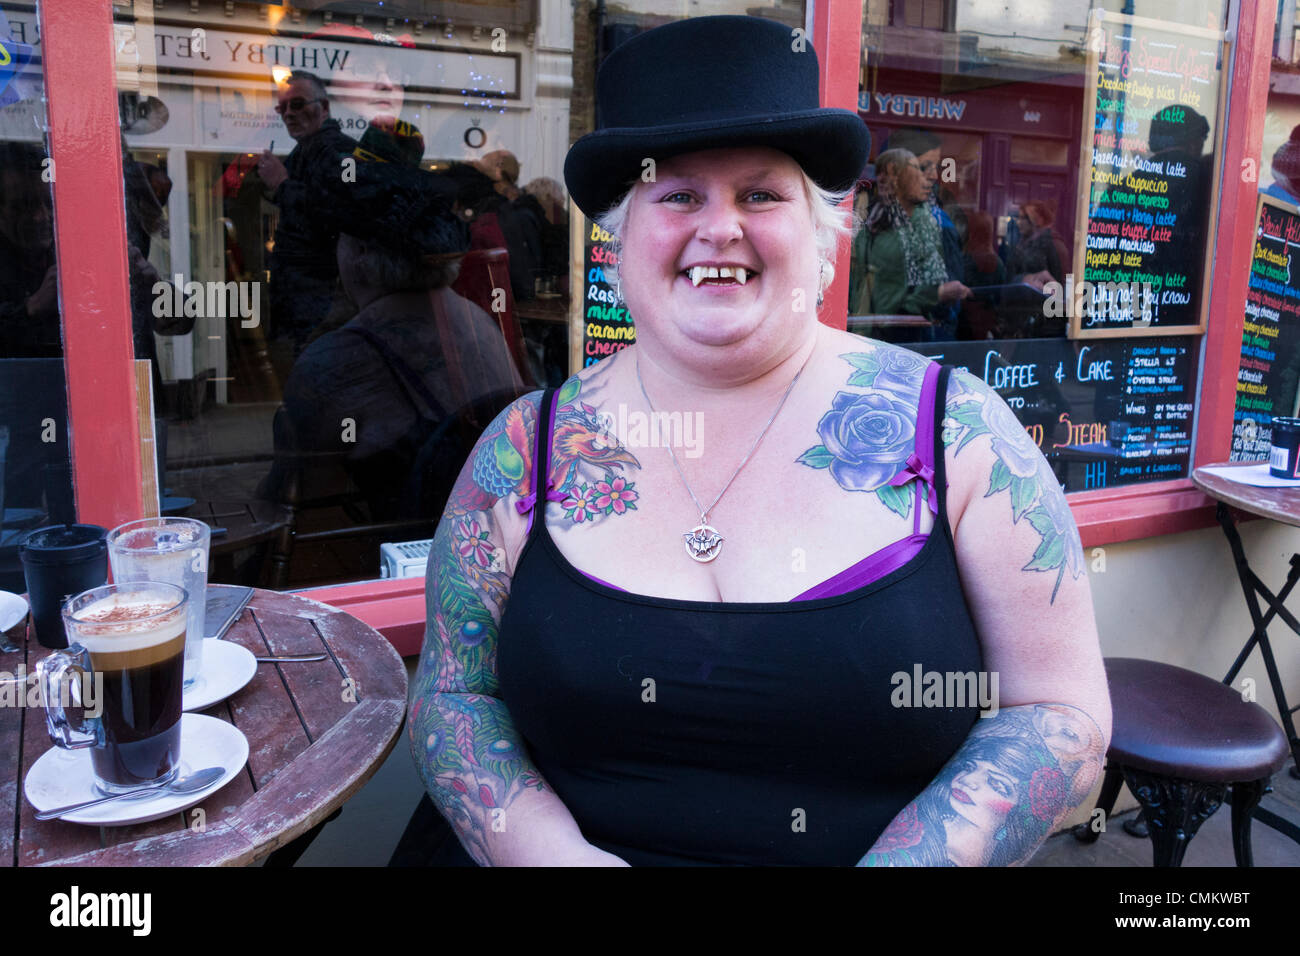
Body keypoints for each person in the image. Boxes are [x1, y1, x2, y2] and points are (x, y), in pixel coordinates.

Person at [406, 14, 1110, 866]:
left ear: (820, 237)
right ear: (619, 241)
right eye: (677, 196)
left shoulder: (960, 435)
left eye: (761, 194)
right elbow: (453, 694)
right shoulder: (524, 449)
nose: (720, 228)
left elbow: (1058, 716)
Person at [257, 71, 359, 358]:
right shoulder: (307, 152)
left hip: (325, 306)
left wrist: (281, 185)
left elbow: (341, 211)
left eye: (298, 104)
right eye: (283, 107)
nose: (288, 114)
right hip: (308, 306)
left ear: (324, 108)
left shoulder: (339, 151)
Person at [862, 148, 971, 336]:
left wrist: (902, 310)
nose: (882, 180)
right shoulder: (876, 217)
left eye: (891, 174)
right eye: (880, 173)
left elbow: (946, 291)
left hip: (909, 330)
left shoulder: (933, 224)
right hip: (873, 325)